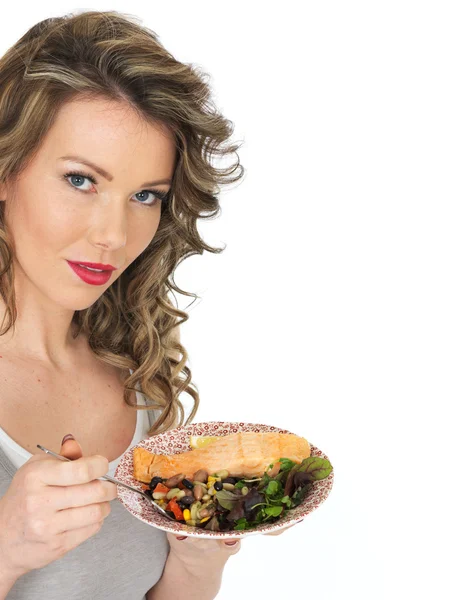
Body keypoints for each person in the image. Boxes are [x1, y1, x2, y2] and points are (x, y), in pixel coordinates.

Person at [0, 10, 293, 599]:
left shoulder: (139, 374)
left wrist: (196, 565)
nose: (113, 234)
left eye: (144, 195)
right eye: (81, 180)